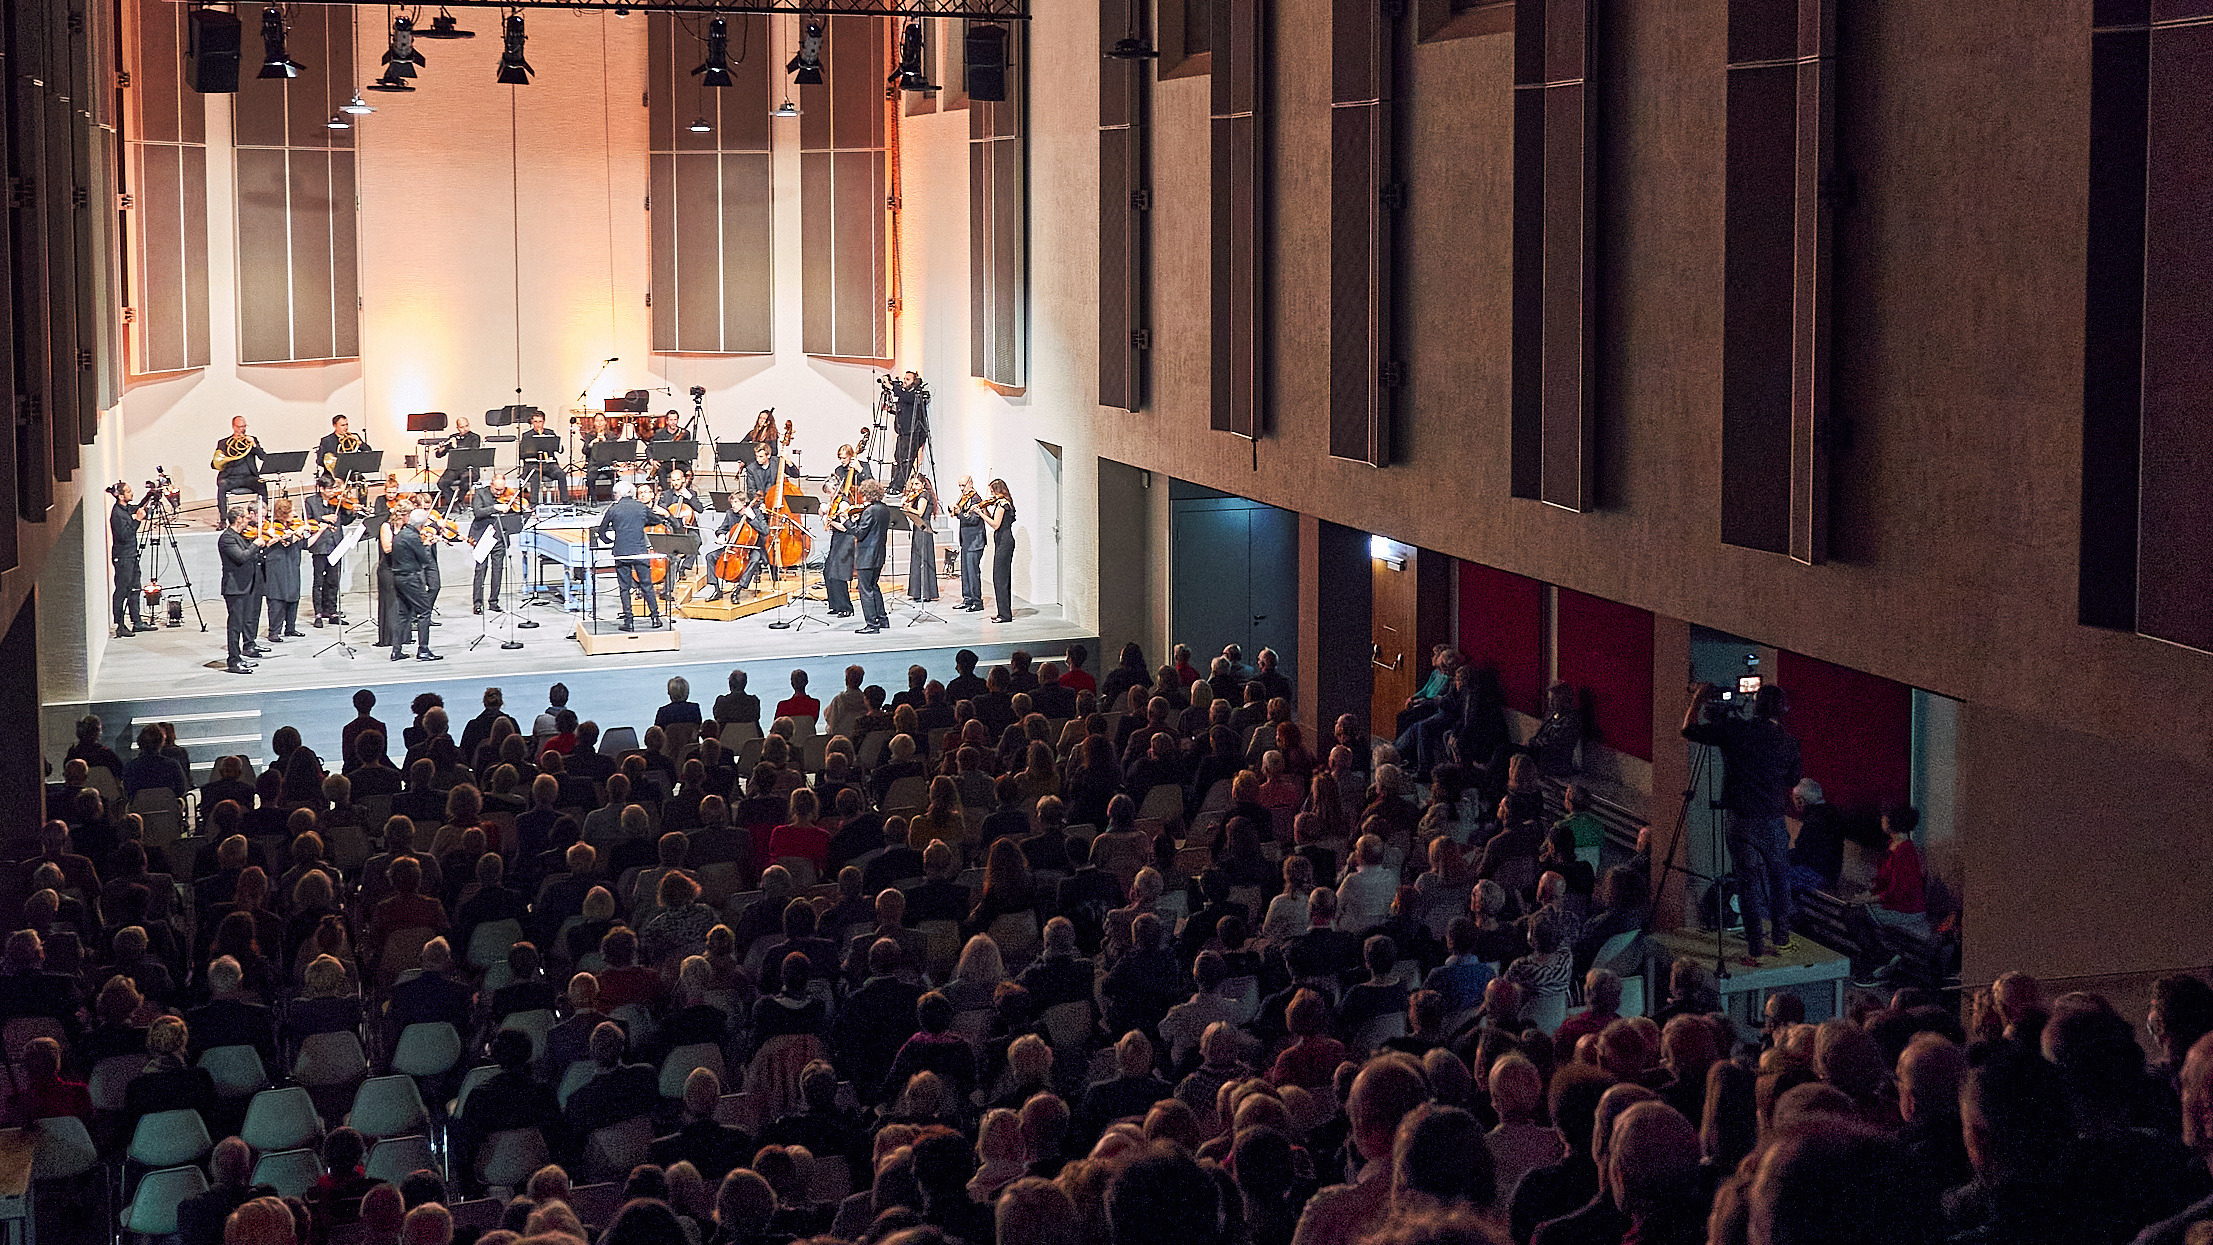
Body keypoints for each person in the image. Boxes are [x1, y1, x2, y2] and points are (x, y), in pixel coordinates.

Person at [1680, 681, 1801, 964]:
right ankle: (1781, 936)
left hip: (1740, 820)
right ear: (1783, 710)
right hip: (1771, 820)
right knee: (1779, 877)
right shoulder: (1789, 742)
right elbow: (1793, 781)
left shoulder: (1736, 730)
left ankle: (1755, 945)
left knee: (1746, 883)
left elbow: (1688, 729)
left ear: (1755, 706)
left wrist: (1698, 698)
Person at [595, 481, 665, 631]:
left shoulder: (614, 509)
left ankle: (629, 621)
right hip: (640, 550)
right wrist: (639, 525)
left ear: (617, 494)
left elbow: (601, 532)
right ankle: (655, 618)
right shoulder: (641, 507)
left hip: (621, 551)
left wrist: (611, 541)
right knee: (647, 584)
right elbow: (656, 520)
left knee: (624, 587)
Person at [217, 505, 270, 675]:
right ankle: (233, 660)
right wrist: (255, 545)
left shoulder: (240, 536)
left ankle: (240, 656)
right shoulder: (227, 538)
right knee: (235, 625)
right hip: (235, 588)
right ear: (238, 519)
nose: (249, 520)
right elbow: (241, 557)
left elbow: (251, 556)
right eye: (247, 517)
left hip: (246, 585)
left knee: (242, 622)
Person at [821, 442, 871, 616]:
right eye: (839, 458)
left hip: (848, 526)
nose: (842, 461)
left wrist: (859, 469)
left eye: (844, 458)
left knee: (839, 571)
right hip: (839, 530)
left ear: (851, 456)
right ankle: (834, 605)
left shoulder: (860, 467)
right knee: (828, 571)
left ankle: (846, 607)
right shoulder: (838, 472)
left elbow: (870, 485)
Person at [385, 510, 443, 662]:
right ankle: (423, 649)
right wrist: (428, 544)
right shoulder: (413, 537)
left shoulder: (400, 535)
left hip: (398, 578)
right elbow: (424, 559)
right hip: (411, 579)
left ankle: (396, 650)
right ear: (422, 524)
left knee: (403, 614)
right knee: (424, 612)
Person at [304, 477, 355, 628]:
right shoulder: (310, 501)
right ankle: (318, 613)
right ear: (321, 488)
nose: (333, 492)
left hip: (335, 544)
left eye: (334, 488)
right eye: (329, 489)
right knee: (318, 581)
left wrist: (351, 511)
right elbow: (307, 521)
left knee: (333, 580)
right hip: (320, 545)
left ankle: (331, 611)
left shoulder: (337, 502)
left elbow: (345, 521)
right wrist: (322, 518)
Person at [259, 495, 309, 643]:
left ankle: (290, 627)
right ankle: (274, 631)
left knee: (293, 594)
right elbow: (286, 541)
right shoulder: (272, 528)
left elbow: (303, 543)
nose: (294, 513)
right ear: (283, 513)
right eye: (291, 511)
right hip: (276, 564)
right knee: (277, 596)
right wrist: (298, 531)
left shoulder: (293, 526)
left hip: (292, 563)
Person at [846, 478, 892, 633]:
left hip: (867, 556)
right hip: (879, 555)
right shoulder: (884, 509)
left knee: (865, 589)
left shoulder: (869, 510)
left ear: (868, 494)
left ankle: (872, 624)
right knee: (874, 587)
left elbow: (859, 533)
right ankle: (882, 619)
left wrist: (847, 522)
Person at [468, 474, 517, 615]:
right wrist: (495, 507)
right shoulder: (480, 493)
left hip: (499, 535)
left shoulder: (508, 495)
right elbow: (478, 512)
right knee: (481, 570)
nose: (499, 492)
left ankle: (494, 601)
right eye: (496, 489)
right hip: (482, 535)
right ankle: (477, 603)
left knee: (498, 569)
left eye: (502, 489)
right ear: (491, 484)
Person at [108, 480, 147, 638]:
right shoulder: (117, 514)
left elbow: (136, 507)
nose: (132, 493)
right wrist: (137, 520)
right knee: (123, 590)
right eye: (129, 491)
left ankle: (137, 621)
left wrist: (150, 496)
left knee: (135, 587)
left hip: (131, 555)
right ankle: (120, 624)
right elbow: (124, 535)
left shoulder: (124, 509)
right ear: (121, 496)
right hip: (123, 557)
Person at [213, 415, 267, 514]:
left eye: (244, 426)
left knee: (262, 484)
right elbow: (214, 464)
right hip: (230, 478)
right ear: (233, 427)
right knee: (222, 484)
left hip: (249, 477)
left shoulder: (251, 440)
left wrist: (254, 445)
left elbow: (263, 457)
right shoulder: (224, 443)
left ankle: (263, 516)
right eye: (240, 427)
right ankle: (223, 519)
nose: (242, 429)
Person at [983, 477, 1017, 622]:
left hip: (1005, 542)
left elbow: (996, 525)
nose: (991, 495)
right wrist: (984, 509)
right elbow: (995, 519)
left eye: (992, 491)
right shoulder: (1001, 504)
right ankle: (1003, 612)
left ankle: (1004, 615)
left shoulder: (1003, 504)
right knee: (1001, 578)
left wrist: (980, 515)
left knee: (1000, 579)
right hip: (1003, 542)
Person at [952, 475, 988, 611]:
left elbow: (973, 519)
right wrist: (954, 511)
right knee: (965, 572)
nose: (961, 489)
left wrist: (959, 513)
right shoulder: (963, 498)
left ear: (970, 483)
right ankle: (967, 599)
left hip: (975, 541)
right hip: (966, 540)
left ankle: (977, 602)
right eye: (960, 486)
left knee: (973, 573)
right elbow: (962, 514)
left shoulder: (976, 499)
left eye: (963, 485)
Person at [903, 473, 940, 602]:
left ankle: (925, 592)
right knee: (918, 558)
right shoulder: (917, 495)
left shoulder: (924, 495)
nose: (914, 487)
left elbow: (920, 512)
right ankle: (918, 591)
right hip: (918, 528)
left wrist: (908, 508)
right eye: (912, 484)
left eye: (917, 484)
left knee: (923, 559)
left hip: (923, 529)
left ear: (923, 484)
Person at [432, 414, 480, 505]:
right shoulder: (453, 437)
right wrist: (442, 448)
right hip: (454, 469)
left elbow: (471, 452)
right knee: (441, 483)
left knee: (465, 483)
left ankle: (459, 501)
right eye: (462, 427)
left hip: (469, 468)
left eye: (467, 426)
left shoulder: (475, 437)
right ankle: (453, 502)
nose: (465, 429)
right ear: (457, 428)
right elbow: (438, 455)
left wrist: (455, 446)